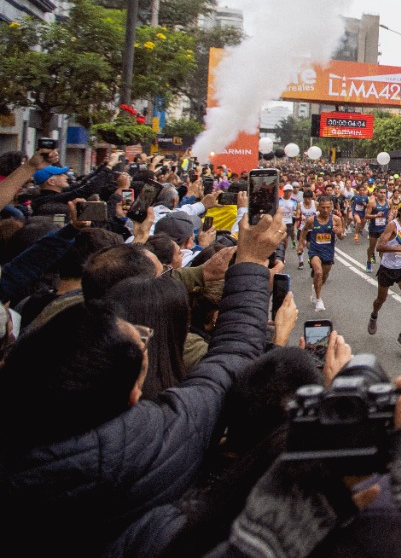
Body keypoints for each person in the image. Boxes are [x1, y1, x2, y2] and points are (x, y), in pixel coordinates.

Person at [0, 211, 285, 555]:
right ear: (133, 393)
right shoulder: (149, 441)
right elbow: (232, 358)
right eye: (139, 343)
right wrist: (252, 263)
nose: (139, 330)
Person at [369, 199, 401, 350]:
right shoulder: (393, 225)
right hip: (388, 267)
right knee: (381, 299)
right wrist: (399, 248)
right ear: (400, 211)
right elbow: (379, 246)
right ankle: (374, 315)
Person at [296, 194, 344, 312]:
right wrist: (300, 244)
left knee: (324, 276)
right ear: (318, 207)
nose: (325, 210)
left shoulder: (336, 220)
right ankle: (318, 300)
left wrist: (338, 232)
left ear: (332, 207)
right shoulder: (312, 220)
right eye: (323, 207)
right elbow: (304, 230)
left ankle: (315, 290)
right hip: (315, 250)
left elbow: (342, 236)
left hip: (328, 251)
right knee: (318, 272)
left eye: (328, 207)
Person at [364, 187, 391, 272]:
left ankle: (383, 265)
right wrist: (376, 215)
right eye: (381, 192)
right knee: (372, 247)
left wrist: (390, 217)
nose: (383, 194)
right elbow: (366, 215)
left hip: (384, 228)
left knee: (382, 246)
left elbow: (390, 212)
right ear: (376, 193)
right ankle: (369, 262)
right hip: (374, 228)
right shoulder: (372, 203)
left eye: (384, 193)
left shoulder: (389, 202)